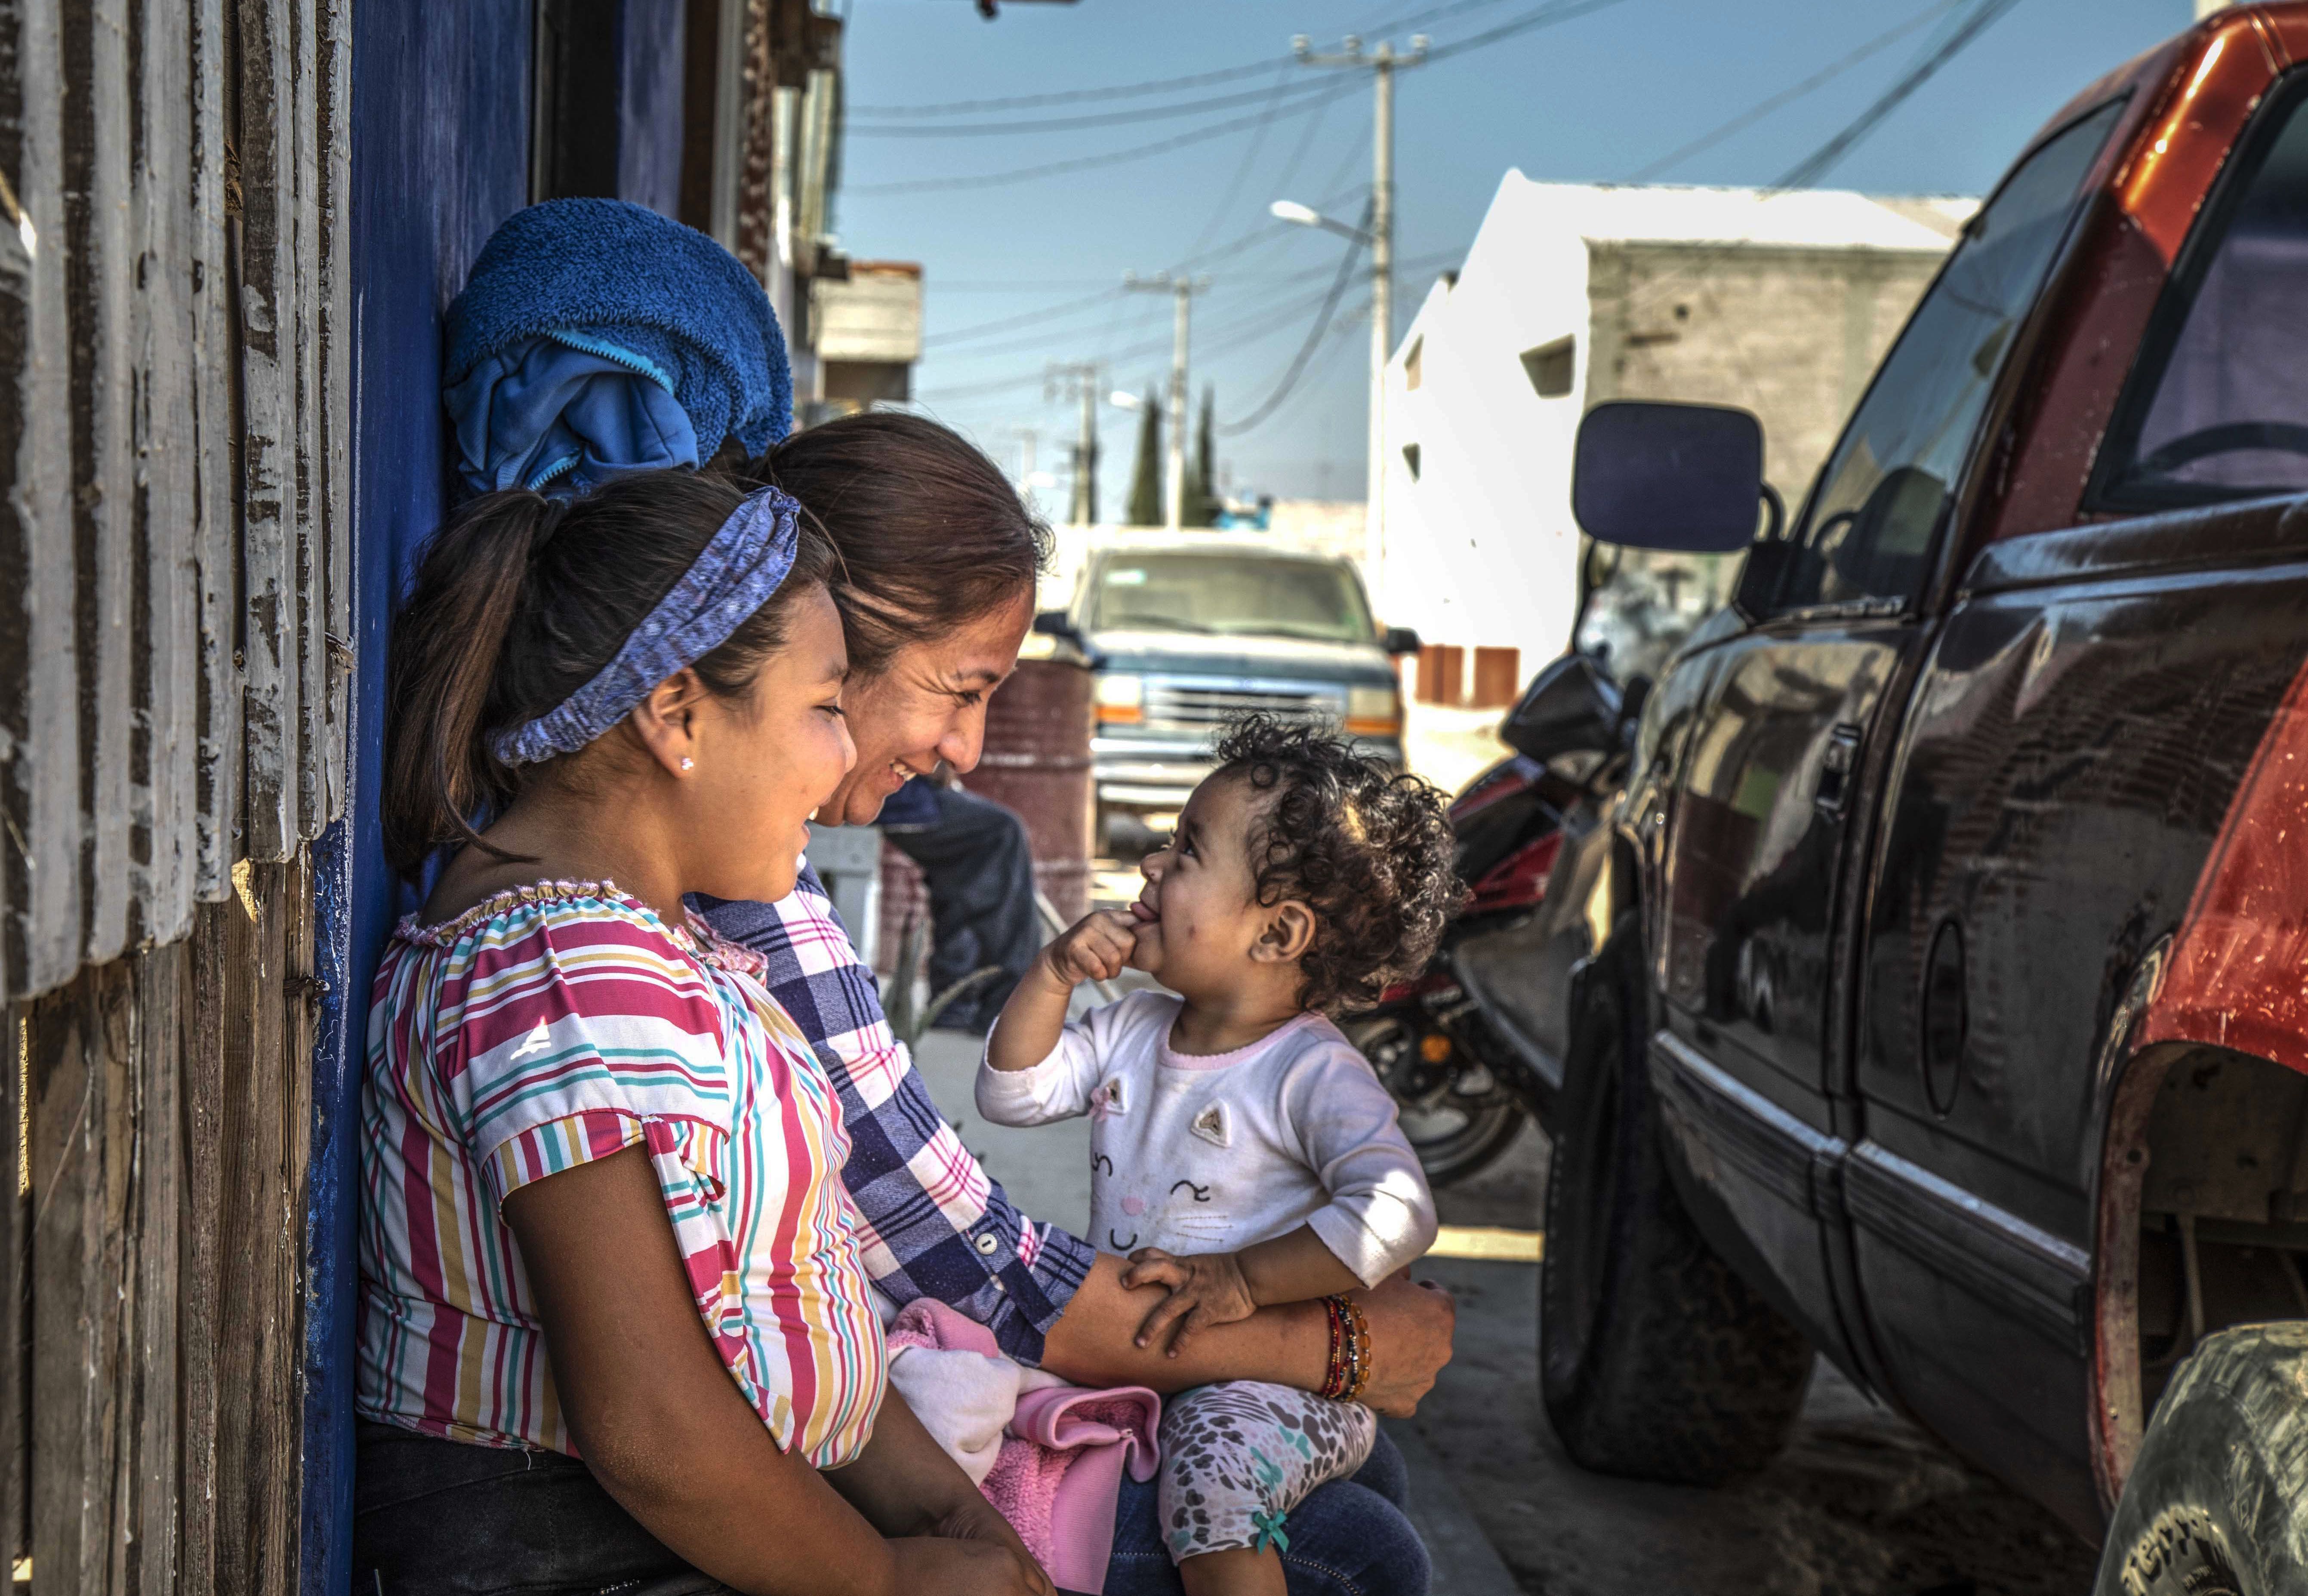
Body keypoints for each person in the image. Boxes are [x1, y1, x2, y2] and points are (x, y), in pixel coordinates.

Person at [437, 200, 1458, 1593]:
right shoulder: (604, 953)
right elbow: (924, 1294)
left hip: (847, 1452)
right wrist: (1328, 1347)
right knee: (1355, 1551)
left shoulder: (672, 900)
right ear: (780, 655)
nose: (967, 753)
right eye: (961, 691)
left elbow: (837, 1305)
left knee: (1338, 1497)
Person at [355, 468, 1049, 1596]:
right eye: (825, 707)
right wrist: (880, 1577)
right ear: (677, 715)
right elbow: (650, 1427)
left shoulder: (670, 952)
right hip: (562, 1543)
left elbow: (786, 1298)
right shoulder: (559, 968)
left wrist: (954, 1524)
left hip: (697, 1517)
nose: (839, 757)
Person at [978, 719, 1461, 1596]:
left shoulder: (1310, 1071)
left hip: (1281, 1389)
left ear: (1276, 935)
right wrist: (1050, 976)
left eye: (1189, 850)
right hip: (1168, 1363)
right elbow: (1013, 1093)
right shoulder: (1130, 1029)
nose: (1153, 864)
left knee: (1206, 1481)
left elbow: (1398, 1212)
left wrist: (1243, 1277)